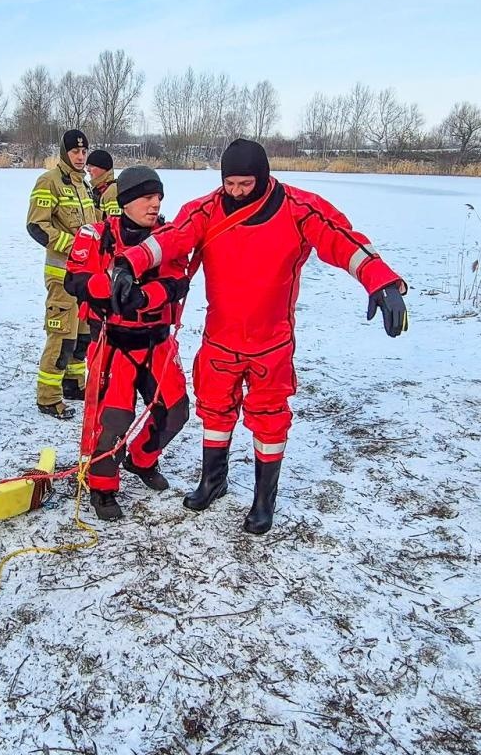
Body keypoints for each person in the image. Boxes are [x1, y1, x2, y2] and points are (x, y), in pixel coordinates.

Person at [109, 138, 408, 534]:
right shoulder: (206, 209)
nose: (235, 192)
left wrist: (381, 281)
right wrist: (127, 264)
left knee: (269, 421)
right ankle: (213, 480)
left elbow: (343, 240)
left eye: (245, 184)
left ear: (263, 178)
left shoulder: (299, 208)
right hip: (220, 339)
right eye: (229, 184)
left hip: (272, 344)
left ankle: (264, 499)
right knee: (214, 411)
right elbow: (172, 238)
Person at [64, 167, 191, 521]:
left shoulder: (168, 237)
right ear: (125, 202)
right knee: (113, 418)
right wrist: (110, 289)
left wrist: (141, 296)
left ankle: (141, 459)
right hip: (112, 341)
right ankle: (103, 487)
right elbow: (76, 281)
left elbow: (177, 282)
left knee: (176, 411)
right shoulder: (95, 235)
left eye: (159, 198)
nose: (155, 205)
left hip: (157, 341)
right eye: (147, 198)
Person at [27, 129, 99, 419]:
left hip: (86, 276)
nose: (80, 157)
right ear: (64, 153)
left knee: (82, 337)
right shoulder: (49, 181)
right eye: (74, 152)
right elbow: (37, 226)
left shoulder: (85, 186)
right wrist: (74, 246)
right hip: (61, 275)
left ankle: (72, 384)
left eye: (84, 152)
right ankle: (48, 397)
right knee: (61, 337)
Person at [87, 149, 121, 217]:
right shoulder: (96, 189)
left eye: (92, 166)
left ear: (103, 168)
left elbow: (115, 223)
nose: (88, 170)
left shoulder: (112, 191)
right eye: (87, 166)